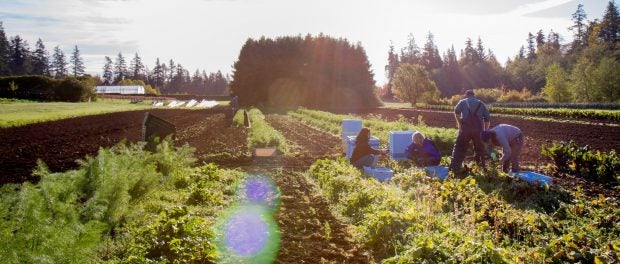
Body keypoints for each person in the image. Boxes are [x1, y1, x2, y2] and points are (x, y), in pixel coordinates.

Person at [449, 90, 491, 174]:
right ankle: (480, 169)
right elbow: (487, 119)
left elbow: (456, 112)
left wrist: (459, 124)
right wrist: (485, 131)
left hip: (465, 130)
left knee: (459, 148)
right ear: (474, 95)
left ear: (466, 95)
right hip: (478, 131)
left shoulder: (463, 102)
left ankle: (454, 169)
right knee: (480, 150)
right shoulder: (481, 104)